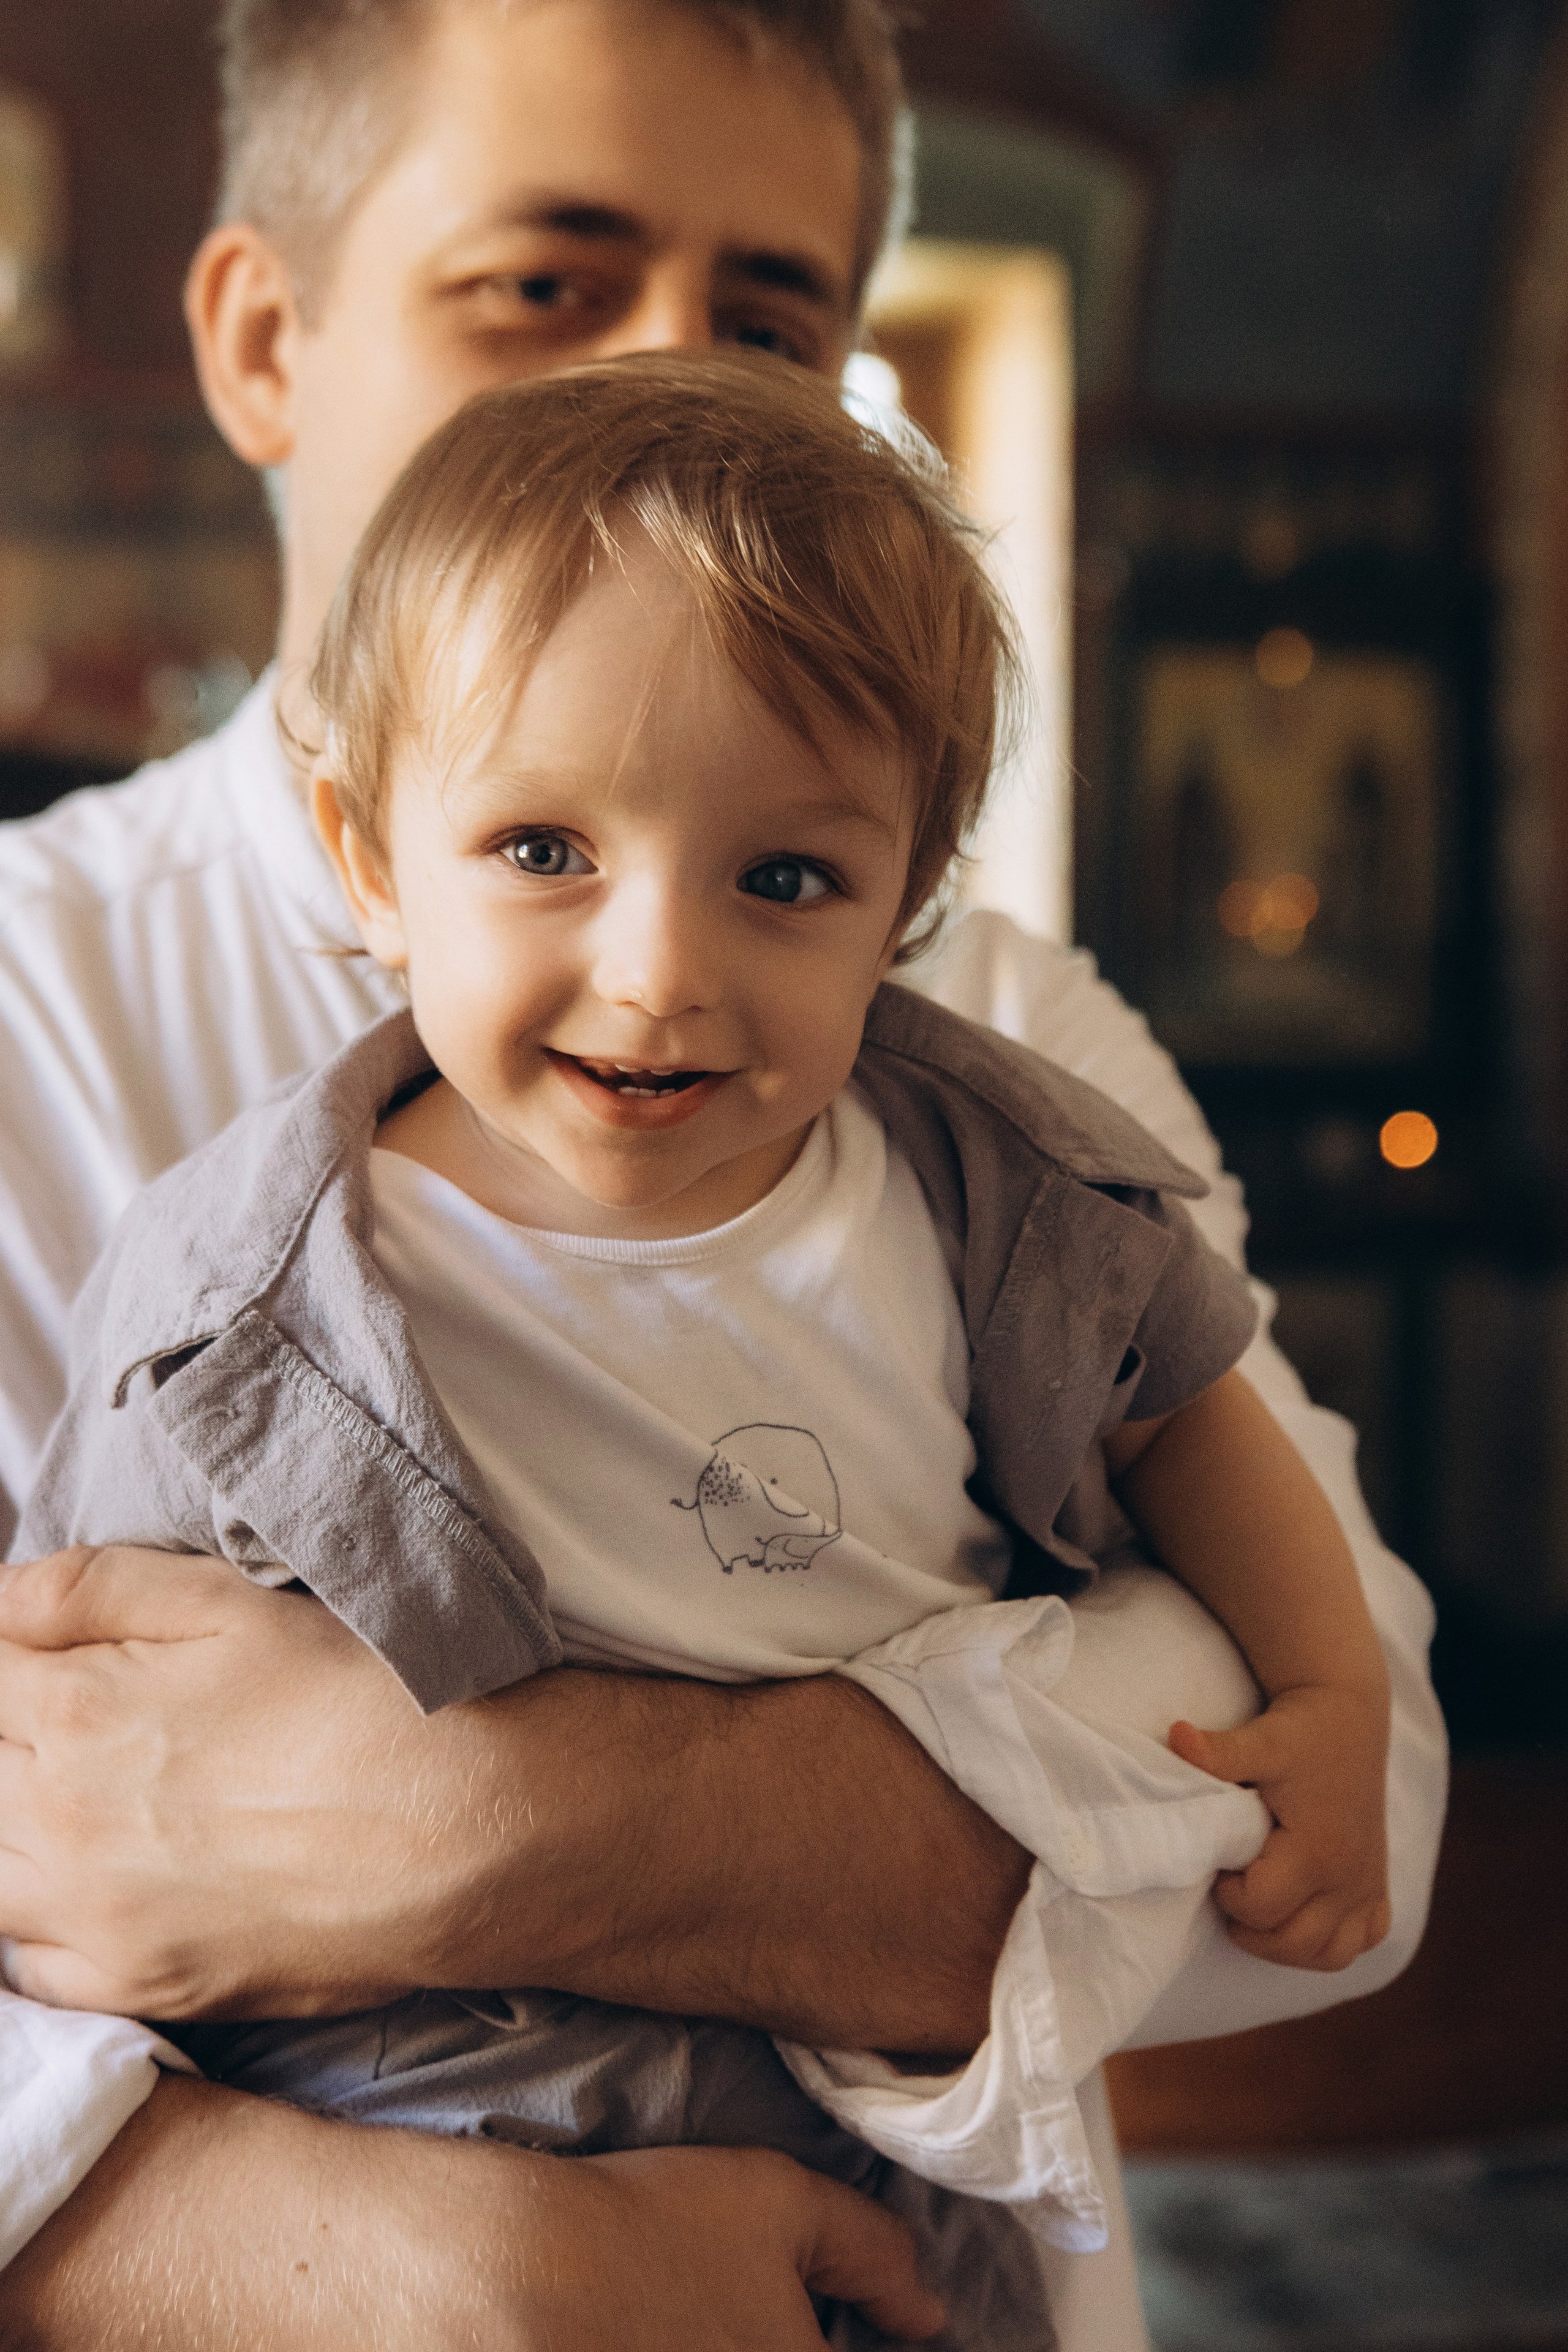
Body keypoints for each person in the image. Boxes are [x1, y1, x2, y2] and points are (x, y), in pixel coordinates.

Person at [0, 1, 1445, 2345]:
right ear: (267, 341)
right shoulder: (39, 1030)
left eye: (771, 318)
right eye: (545, 286)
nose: (667, 395)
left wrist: (480, 1834)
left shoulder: (997, 1061)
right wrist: (420, 2265)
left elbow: (1339, 1801)